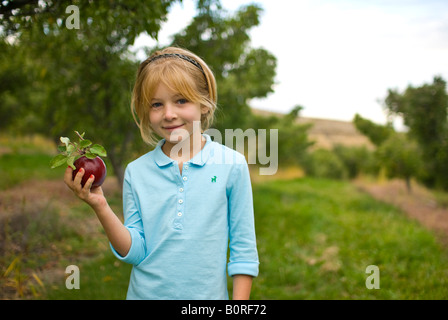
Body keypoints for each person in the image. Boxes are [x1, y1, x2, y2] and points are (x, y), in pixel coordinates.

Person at [64, 46, 259, 300]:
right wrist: (100, 205)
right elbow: (136, 251)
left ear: (204, 104)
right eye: (157, 104)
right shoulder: (137, 172)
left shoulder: (231, 165)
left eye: (181, 100)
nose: (168, 114)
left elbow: (243, 251)